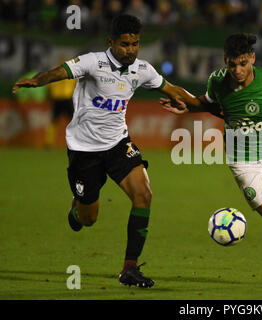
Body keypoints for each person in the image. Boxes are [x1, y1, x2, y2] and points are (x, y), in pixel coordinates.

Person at [12, 14, 198, 289]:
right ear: (111, 42)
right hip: (84, 149)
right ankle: (77, 209)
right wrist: (38, 81)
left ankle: (130, 269)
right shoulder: (92, 62)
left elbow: (171, 89)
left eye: (135, 44)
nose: (130, 50)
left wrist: (203, 105)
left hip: (118, 144)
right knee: (88, 219)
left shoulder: (142, 69)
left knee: (143, 195)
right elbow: (60, 71)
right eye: (124, 44)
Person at [160, 33, 262, 288]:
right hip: (242, 161)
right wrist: (188, 106)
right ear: (225, 61)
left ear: (252, 58)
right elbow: (209, 103)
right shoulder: (218, 80)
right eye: (232, 64)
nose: (237, 70)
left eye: (242, 63)